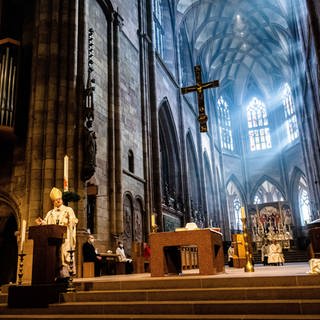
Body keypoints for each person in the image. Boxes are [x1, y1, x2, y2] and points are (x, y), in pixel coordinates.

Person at [36, 187, 78, 280]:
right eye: (56, 200)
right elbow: (47, 225)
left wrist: (69, 220)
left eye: (59, 199)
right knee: (55, 256)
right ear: (53, 202)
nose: (58, 201)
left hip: (65, 238)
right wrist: (41, 223)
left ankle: (66, 275)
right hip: (54, 239)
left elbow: (74, 221)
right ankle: (57, 275)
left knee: (64, 254)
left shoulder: (68, 210)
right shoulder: (50, 213)